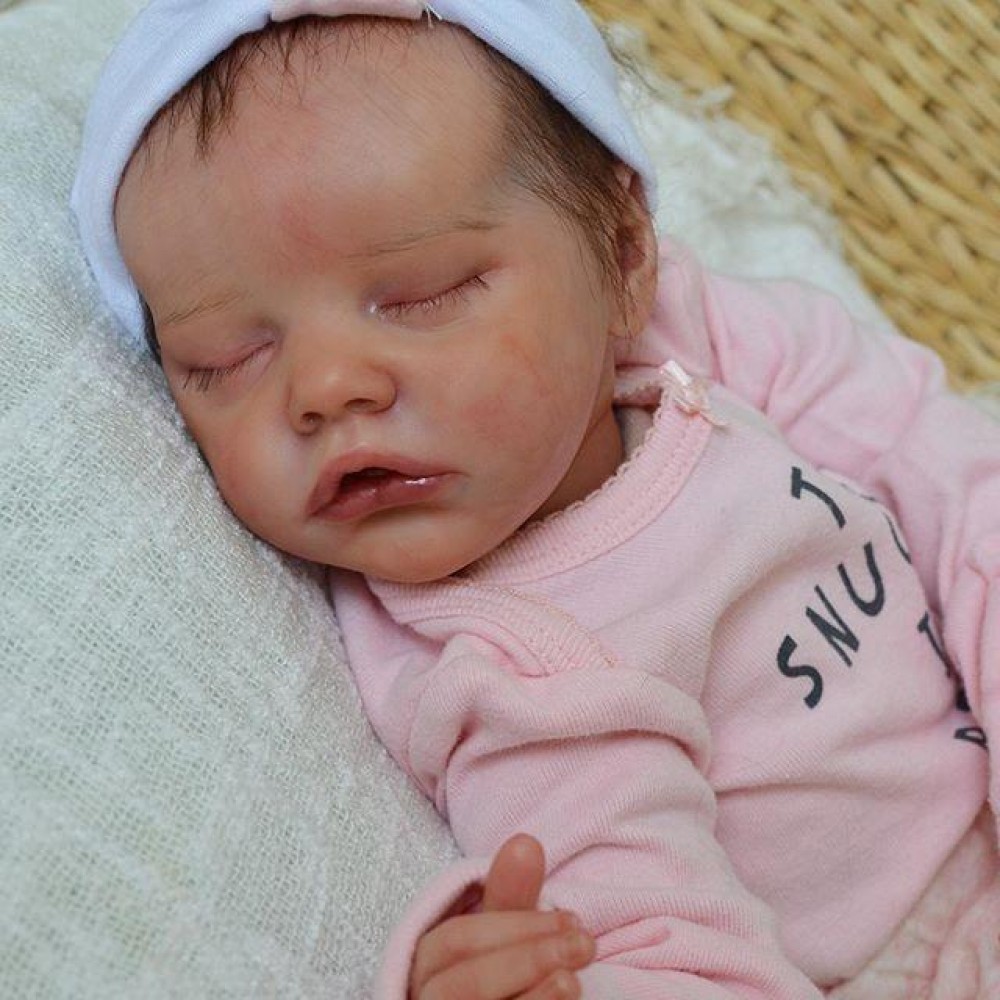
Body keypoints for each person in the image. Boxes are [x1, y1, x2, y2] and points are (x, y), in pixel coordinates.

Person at [72, 1, 999, 997]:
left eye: (422, 294)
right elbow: (656, 941)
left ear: (625, 257)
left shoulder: (693, 335)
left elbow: (946, 469)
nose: (325, 387)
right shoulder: (513, 672)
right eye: (227, 359)